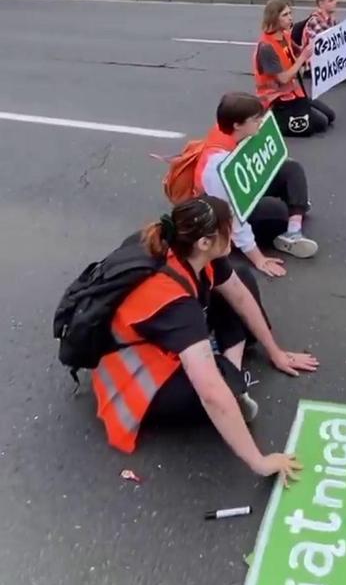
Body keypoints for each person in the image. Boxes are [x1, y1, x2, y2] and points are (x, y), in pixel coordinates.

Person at [91, 195, 318, 475]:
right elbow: (210, 393)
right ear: (205, 242)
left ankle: (231, 377)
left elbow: (240, 296)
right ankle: (230, 385)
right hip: (137, 375)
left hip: (158, 335)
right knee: (211, 391)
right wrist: (261, 463)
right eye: (229, 230)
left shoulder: (189, 248)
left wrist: (277, 352)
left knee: (243, 278)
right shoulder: (175, 305)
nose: (234, 234)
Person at [195, 92, 317, 268]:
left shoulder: (230, 131)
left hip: (246, 189)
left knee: (291, 168)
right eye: (255, 119)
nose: (261, 121)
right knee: (278, 212)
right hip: (224, 210)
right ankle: (289, 217)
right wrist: (258, 259)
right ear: (237, 125)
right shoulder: (218, 167)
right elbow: (232, 217)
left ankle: (293, 232)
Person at [253, 0, 336, 137]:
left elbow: (297, 51)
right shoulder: (266, 47)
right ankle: (271, 119)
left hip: (293, 94)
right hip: (277, 99)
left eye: (290, 13)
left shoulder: (285, 36)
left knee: (329, 116)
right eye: (285, 15)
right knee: (321, 123)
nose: (290, 18)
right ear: (274, 19)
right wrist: (303, 58)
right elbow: (283, 79)